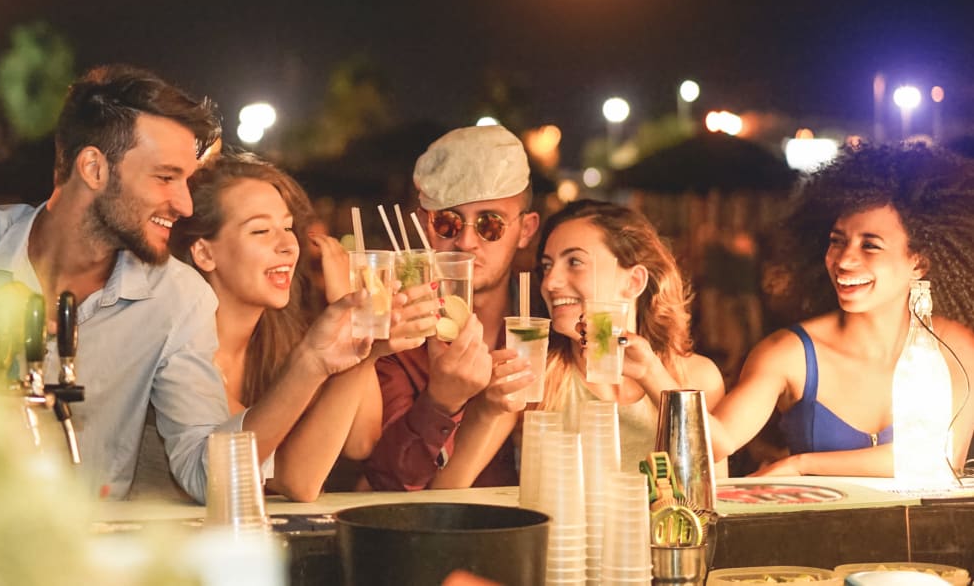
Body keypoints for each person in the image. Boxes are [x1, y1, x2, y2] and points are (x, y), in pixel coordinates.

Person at [0, 64, 369, 502]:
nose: (186, 205)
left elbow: (205, 474)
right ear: (94, 169)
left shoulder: (177, 299)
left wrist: (311, 361)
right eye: (165, 177)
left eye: (188, 181)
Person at [164, 150, 437, 501]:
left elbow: (360, 441)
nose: (287, 246)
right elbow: (296, 479)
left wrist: (366, 346)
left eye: (288, 227)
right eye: (261, 230)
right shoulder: (181, 353)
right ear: (204, 253)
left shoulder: (281, 339)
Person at [704, 141, 974, 476]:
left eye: (870, 245)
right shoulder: (790, 354)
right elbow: (718, 441)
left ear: (919, 263)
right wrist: (653, 374)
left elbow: (940, 461)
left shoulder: (958, 349)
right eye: (837, 240)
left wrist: (802, 465)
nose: (844, 260)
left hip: (927, 530)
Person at [363, 124, 541, 490]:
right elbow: (388, 486)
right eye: (448, 221)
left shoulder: (547, 323)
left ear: (525, 229)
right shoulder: (397, 334)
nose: (466, 241)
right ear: (428, 228)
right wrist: (439, 404)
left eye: (491, 224)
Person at [537, 200, 725, 472]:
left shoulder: (697, 377)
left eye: (575, 262)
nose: (549, 282)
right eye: (546, 266)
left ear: (634, 281)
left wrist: (651, 374)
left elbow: (713, 485)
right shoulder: (536, 379)